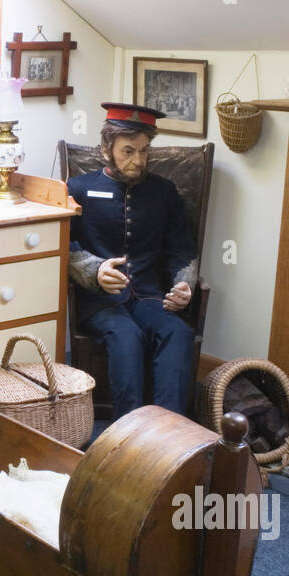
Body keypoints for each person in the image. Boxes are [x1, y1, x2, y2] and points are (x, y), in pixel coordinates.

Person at [67, 103, 198, 419]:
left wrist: (184, 283)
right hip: (98, 302)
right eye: (128, 150)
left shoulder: (164, 192)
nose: (138, 160)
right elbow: (64, 246)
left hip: (149, 296)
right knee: (127, 335)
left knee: (178, 332)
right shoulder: (78, 189)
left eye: (144, 150)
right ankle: (129, 432)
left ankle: (169, 430)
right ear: (105, 149)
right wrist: (94, 270)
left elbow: (182, 249)